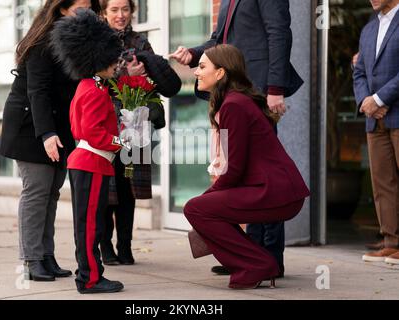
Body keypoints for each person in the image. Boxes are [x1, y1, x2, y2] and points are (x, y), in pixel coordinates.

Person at [169, 0, 303, 277]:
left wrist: (275, 87)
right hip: (238, 88)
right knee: (247, 174)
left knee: (264, 175)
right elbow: (219, 40)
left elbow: (279, 33)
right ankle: (251, 253)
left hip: (258, 86)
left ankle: (271, 257)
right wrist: (193, 54)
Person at [183, 44, 310, 289]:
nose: (196, 72)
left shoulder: (233, 105)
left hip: (276, 192)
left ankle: (257, 263)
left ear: (220, 73)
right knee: (203, 207)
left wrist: (207, 197)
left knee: (196, 208)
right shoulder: (235, 102)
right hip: (276, 191)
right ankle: (254, 262)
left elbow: (234, 168)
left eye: (202, 66)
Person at [0, 0, 100, 282]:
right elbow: (38, 91)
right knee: (37, 191)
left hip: (59, 125)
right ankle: (31, 260)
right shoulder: (44, 40)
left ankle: (46, 255)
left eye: (90, 4)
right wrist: (47, 134)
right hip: (32, 125)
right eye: (81, 4)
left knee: (52, 192)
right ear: (62, 7)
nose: (87, 9)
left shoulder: (79, 38)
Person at [50, 8, 127, 294]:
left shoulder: (86, 86)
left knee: (87, 223)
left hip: (85, 162)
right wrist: (121, 143)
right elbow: (92, 133)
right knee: (91, 225)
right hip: (92, 163)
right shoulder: (95, 90)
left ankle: (88, 274)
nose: (115, 64)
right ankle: (90, 278)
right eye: (112, 59)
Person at [98, 0, 166, 265]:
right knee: (107, 189)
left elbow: (156, 80)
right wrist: (127, 73)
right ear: (103, 13)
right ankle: (106, 247)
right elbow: (95, 79)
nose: (121, 15)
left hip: (135, 125)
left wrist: (145, 78)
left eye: (125, 9)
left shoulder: (141, 43)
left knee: (127, 189)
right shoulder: (98, 42)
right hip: (105, 124)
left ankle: (124, 246)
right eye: (114, 10)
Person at [353, 0, 399, 265]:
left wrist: (379, 99)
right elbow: (359, 72)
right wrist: (365, 102)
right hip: (375, 119)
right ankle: (391, 243)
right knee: (383, 183)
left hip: (394, 111)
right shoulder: (369, 29)